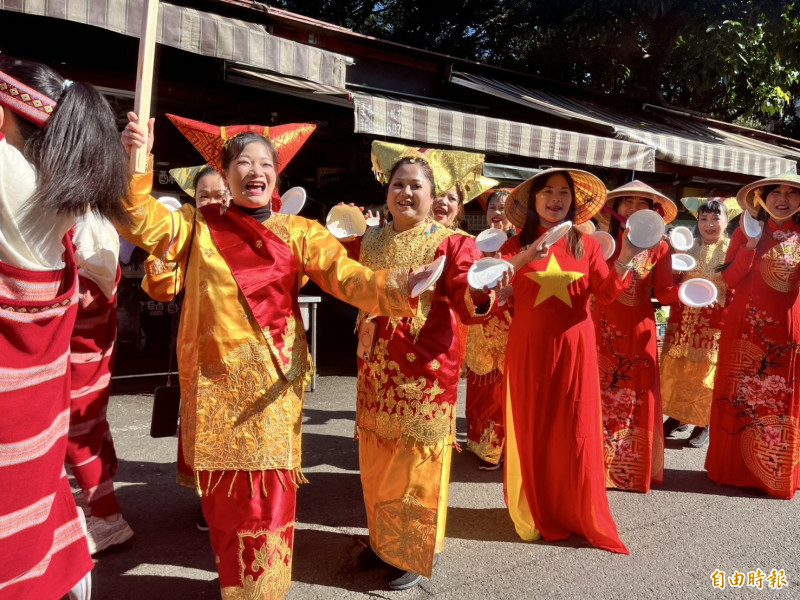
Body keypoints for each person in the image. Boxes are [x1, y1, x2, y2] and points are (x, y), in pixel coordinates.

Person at [120, 113, 438, 599]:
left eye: (264, 163)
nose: (254, 170)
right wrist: (134, 160)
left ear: (276, 175)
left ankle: (263, 589)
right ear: (224, 175)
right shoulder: (195, 226)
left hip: (272, 387)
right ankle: (237, 582)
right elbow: (139, 220)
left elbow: (346, 277)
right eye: (242, 162)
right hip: (214, 388)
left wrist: (398, 284)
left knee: (267, 497)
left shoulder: (300, 232)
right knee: (226, 502)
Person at [0, 56, 129, 600]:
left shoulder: (13, 175)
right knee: (75, 441)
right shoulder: (62, 194)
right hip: (48, 370)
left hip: (54, 362)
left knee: (82, 437)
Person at [352, 142, 504, 590]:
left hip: (425, 375)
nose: (405, 192)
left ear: (432, 194)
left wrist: (482, 288)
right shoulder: (370, 238)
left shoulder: (452, 242)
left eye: (415, 186)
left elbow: (468, 297)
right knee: (377, 460)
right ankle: (383, 542)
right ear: (387, 191)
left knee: (416, 467)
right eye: (398, 183)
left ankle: (413, 551)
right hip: (375, 370)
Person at [500, 168, 639, 554]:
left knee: (574, 428)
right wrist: (529, 255)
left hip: (577, 350)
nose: (555, 199)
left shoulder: (587, 244)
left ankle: (574, 510)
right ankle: (532, 509)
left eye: (563, 192)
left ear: (573, 202)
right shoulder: (514, 244)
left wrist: (626, 257)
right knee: (532, 425)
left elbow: (606, 293)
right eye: (547, 192)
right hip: (528, 348)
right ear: (533, 200)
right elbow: (493, 284)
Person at [706, 175, 800, 499]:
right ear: (762, 197)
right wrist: (748, 245)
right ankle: (730, 469)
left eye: (792, 193)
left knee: (776, 401)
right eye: (776, 192)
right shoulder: (745, 232)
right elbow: (730, 279)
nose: (783, 199)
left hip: (784, 333)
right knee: (737, 397)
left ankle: (771, 471)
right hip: (742, 328)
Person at [592, 180, 679, 493]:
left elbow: (665, 293)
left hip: (639, 331)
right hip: (600, 327)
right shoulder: (601, 240)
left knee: (635, 400)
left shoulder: (662, 247)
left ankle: (629, 467)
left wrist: (695, 289)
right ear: (616, 208)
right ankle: (594, 465)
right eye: (626, 201)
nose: (631, 207)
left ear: (652, 209)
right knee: (599, 394)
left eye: (640, 202)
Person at [68, 212, 134, 554]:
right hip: (84, 345)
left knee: (75, 432)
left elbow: (94, 288)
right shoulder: (86, 216)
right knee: (86, 427)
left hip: (81, 345)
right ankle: (99, 498)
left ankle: (108, 518)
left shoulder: (89, 220)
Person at [660, 199, 740, 448]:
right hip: (683, 322)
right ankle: (677, 416)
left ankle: (704, 424)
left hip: (714, 325)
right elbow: (670, 284)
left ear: (727, 222)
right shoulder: (687, 248)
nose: (709, 224)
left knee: (707, 376)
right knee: (680, 372)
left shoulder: (733, 251)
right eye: (703, 219)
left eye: (715, 218)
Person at [464, 189, 514, 470]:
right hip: (480, 325)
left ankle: (500, 449)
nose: (497, 211)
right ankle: (480, 443)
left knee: (500, 391)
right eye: (493, 206)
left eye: (504, 208)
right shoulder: (474, 245)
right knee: (480, 389)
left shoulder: (517, 246)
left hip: (508, 326)